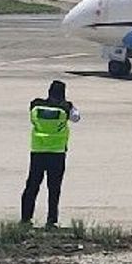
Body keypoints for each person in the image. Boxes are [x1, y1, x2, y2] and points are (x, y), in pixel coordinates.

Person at [21, 80, 81, 228]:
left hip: (38, 151)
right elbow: (76, 118)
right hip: (57, 152)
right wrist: (69, 105)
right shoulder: (65, 108)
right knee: (54, 189)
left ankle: (25, 218)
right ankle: (51, 220)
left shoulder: (36, 105)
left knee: (32, 186)